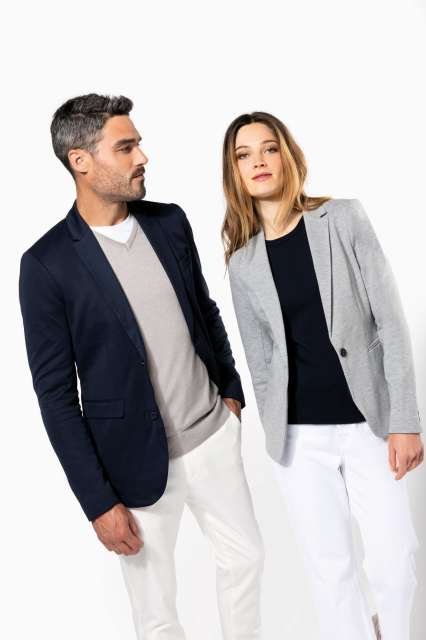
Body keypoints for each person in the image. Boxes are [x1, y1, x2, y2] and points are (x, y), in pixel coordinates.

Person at [18, 94, 264, 640]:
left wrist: (230, 392)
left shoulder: (169, 222)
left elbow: (203, 310)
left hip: (212, 435)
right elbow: (55, 397)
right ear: (81, 160)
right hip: (133, 465)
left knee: (246, 561)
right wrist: (98, 501)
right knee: (156, 614)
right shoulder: (46, 265)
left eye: (139, 144)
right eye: (126, 147)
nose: (142, 157)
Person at [222, 111, 423, 640]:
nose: (259, 162)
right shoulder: (242, 263)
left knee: (395, 561)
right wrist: (274, 431)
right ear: (234, 172)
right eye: (244, 155)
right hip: (299, 440)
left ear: (287, 155)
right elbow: (261, 360)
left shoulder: (343, 218)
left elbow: (390, 321)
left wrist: (405, 420)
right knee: (330, 573)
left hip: (369, 426)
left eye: (269, 148)